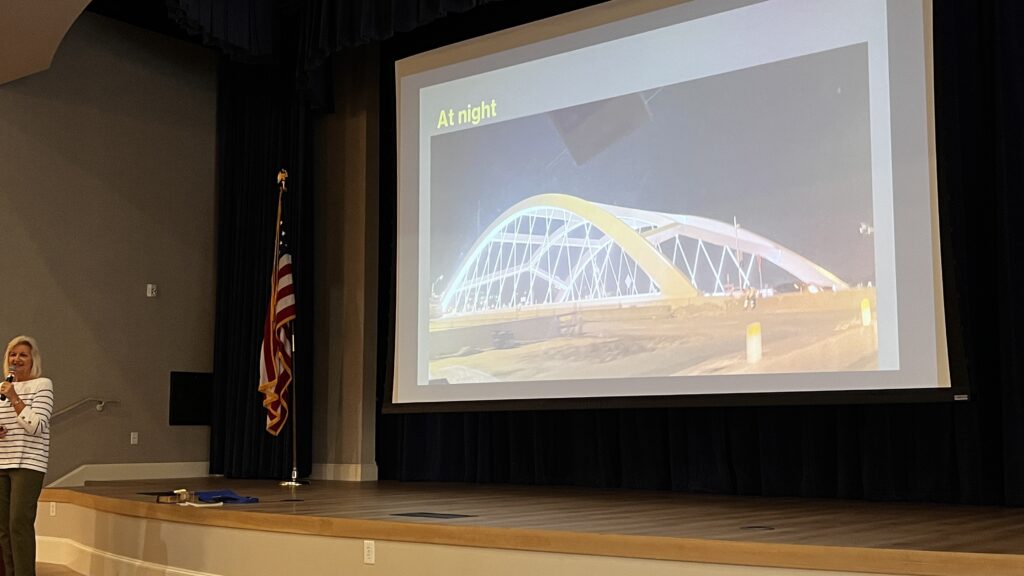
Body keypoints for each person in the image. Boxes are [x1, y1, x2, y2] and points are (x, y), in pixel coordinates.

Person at [0, 336, 53, 576]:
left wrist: (14, 397)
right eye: (13, 354)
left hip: (28, 464)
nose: (17, 359)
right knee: (4, 528)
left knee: (19, 523)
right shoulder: (2, 387)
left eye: (23, 355)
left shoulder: (42, 385)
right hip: (2, 461)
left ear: (33, 360)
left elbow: (36, 426)